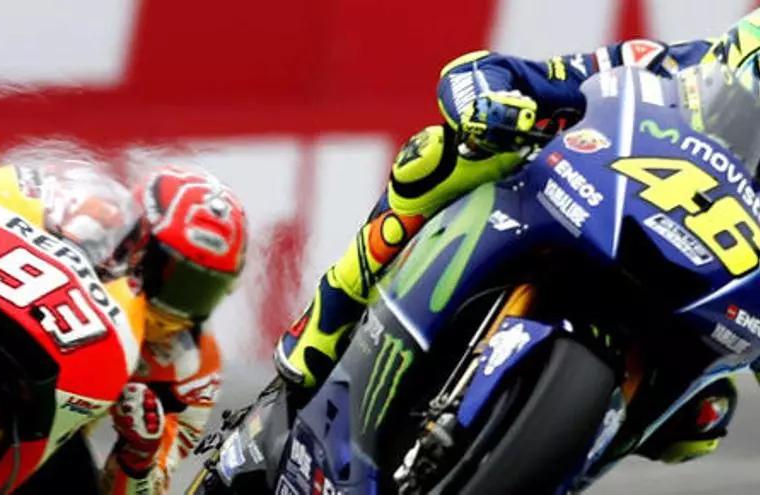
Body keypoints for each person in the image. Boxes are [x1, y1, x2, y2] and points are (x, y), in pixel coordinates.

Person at [274, 9, 760, 465]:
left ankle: (553, 456)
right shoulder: (660, 67)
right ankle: (331, 312)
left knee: (704, 420)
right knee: (441, 154)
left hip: (691, 297)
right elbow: (489, 72)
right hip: (575, 207)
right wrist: (488, 103)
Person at [0, 162, 247, 494]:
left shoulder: (193, 371)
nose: (180, 302)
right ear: (140, 237)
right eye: (174, 275)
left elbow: (153, 487)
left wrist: (139, 454)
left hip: (43, 431)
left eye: (202, 289)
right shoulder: (89, 214)